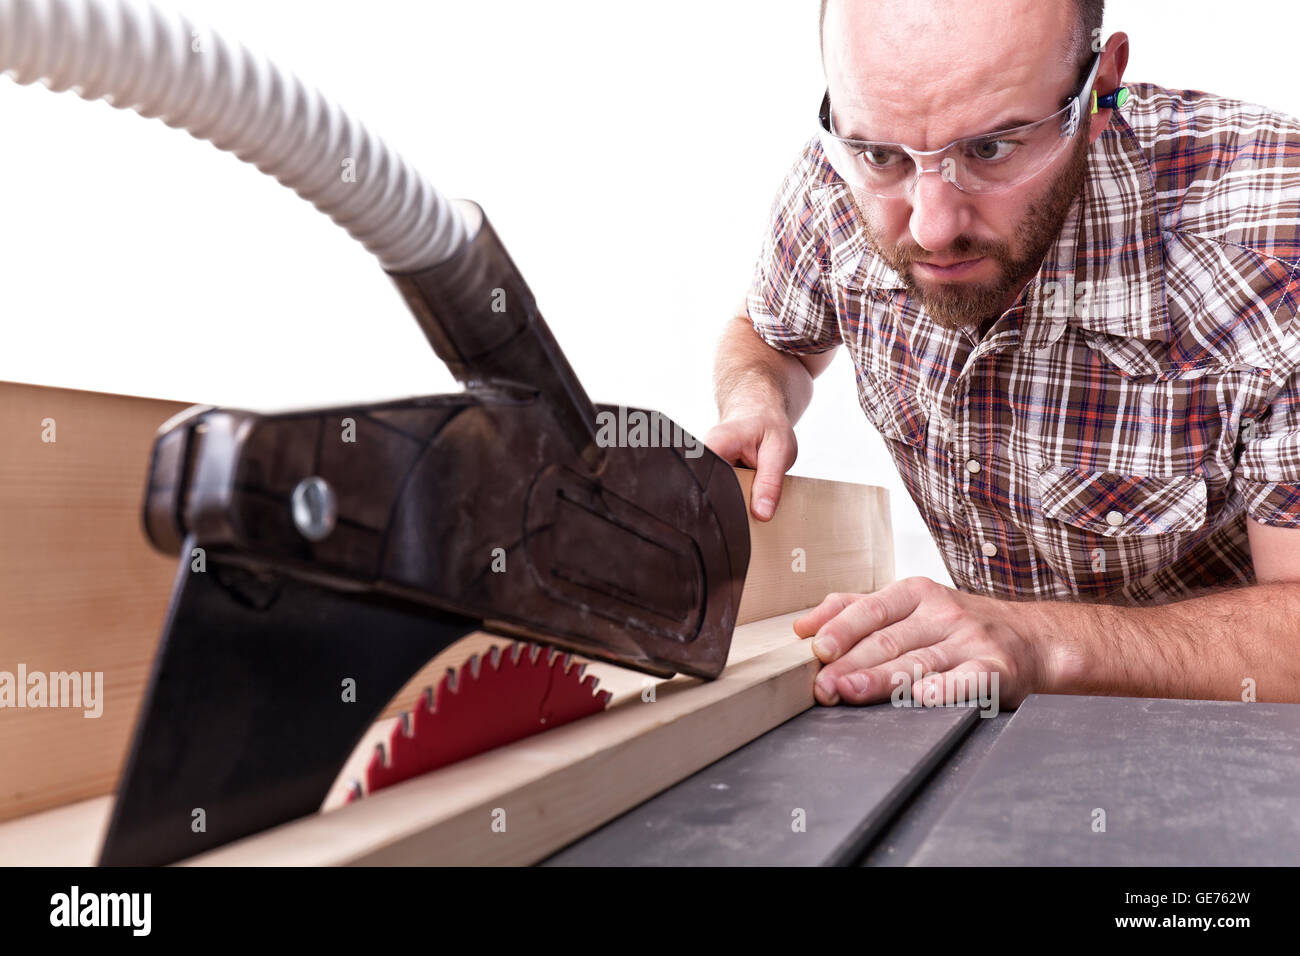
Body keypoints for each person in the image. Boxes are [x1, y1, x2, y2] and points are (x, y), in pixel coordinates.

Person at [705, 0, 1300, 707]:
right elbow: (772, 338)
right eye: (882, 155)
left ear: (1101, 89)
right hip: (987, 739)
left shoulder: (1272, 242)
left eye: (989, 149)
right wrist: (756, 397)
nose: (930, 228)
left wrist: (1036, 642)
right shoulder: (838, 179)